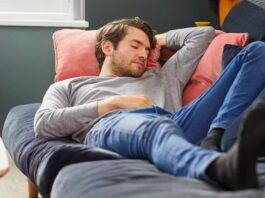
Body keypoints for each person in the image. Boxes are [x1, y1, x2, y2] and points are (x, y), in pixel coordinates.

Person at [34, 17, 265, 190]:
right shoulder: (71, 85)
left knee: (257, 51)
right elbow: (43, 124)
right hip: (112, 125)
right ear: (108, 47)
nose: (144, 54)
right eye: (135, 46)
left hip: (177, 122)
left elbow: (203, 34)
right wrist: (112, 104)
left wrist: (157, 40)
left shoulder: (166, 75)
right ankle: (218, 168)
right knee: (154, 127)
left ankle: (214, 137)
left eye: (147, 49)